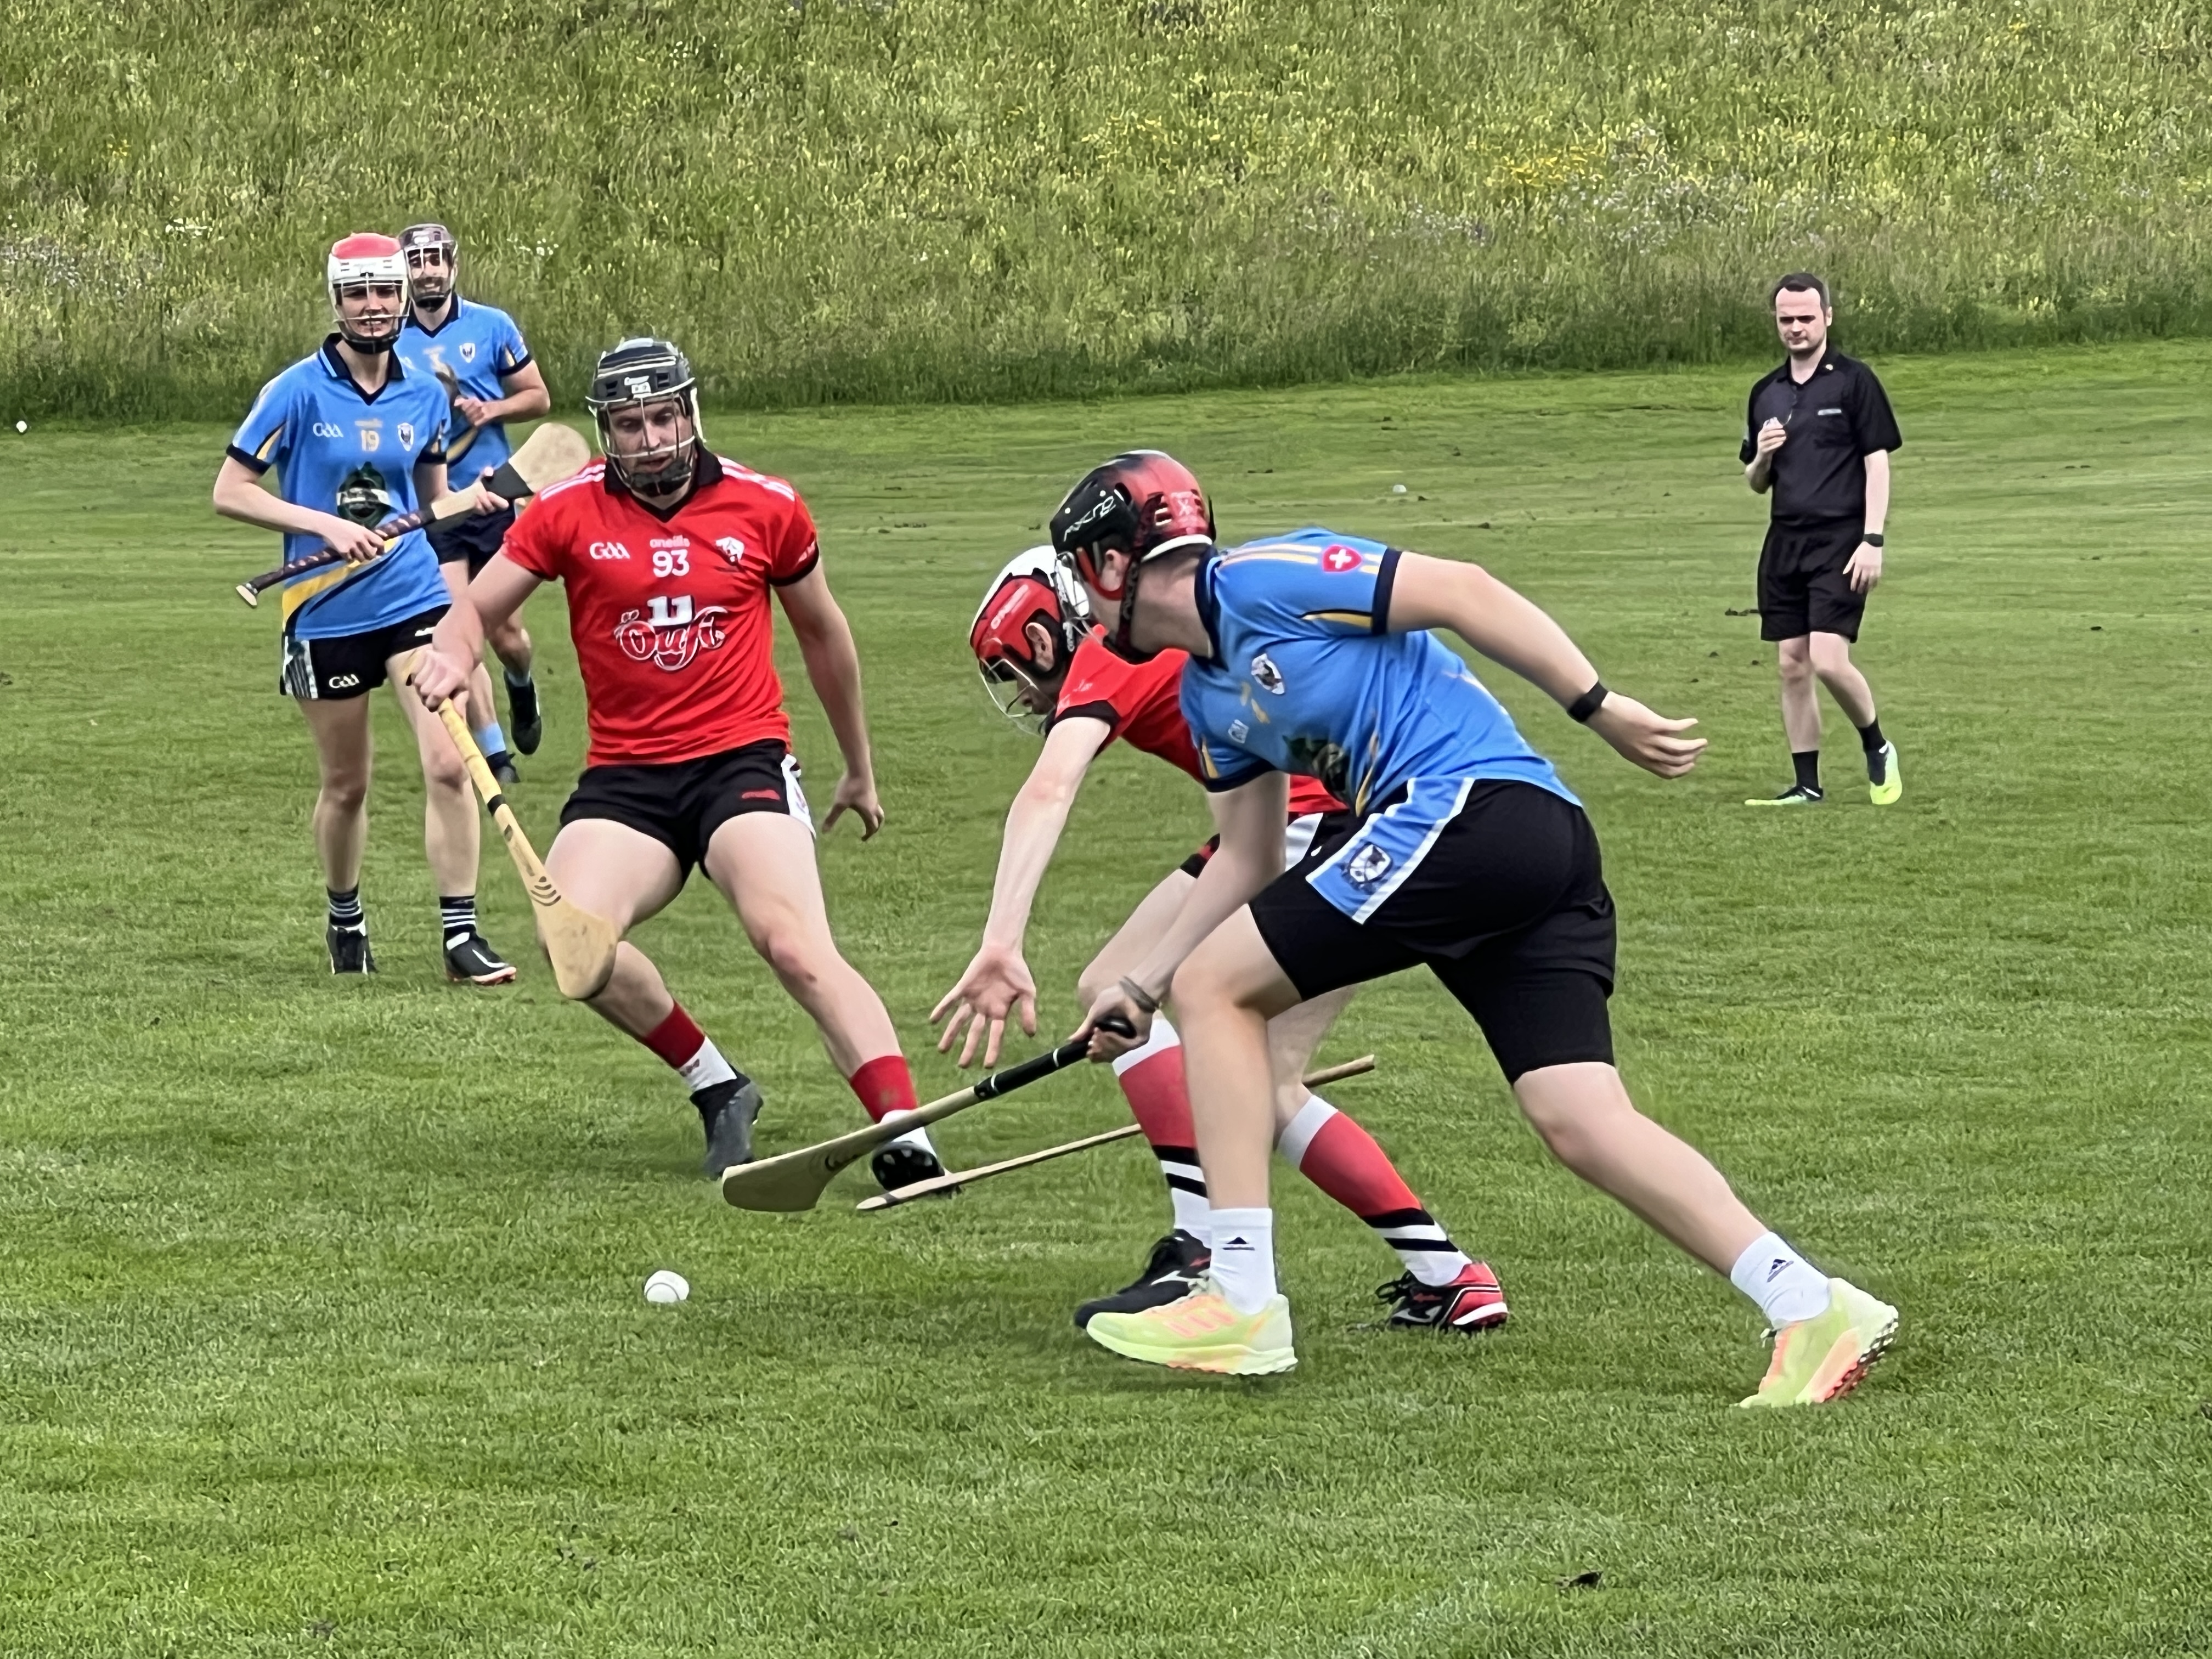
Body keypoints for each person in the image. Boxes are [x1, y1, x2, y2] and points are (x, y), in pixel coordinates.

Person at [1052, 452, 1898, 1403]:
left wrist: (1600, 706)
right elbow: (1248, 858)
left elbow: (1463, 589)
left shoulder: (1264, 576)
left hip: (1474, 810)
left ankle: (1241, 1300)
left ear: (1115, 562)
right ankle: (1811, 1304)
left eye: (1081, 572)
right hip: (1513, 848)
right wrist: (1141, 985)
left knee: (1217, 986)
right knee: (1579, 1118)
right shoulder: (1208, 697)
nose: (1083, 603)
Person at [934, 543, 1507, 1333]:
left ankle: (1204, 1247)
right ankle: (1446, 1276)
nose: (1026, 697)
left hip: (1312, 826)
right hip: (1305, 826)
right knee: (1237, 1066)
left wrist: (1001, 942)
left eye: (1015, 671)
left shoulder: (1107, 651)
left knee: (1225, 1056)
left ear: (1044, 635)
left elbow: (1049, 788)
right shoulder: (1152, 632)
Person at [410, 338, 943, 1183]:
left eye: (664, 417)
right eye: (630, 425)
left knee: (794, 944)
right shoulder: (565, 509)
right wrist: (452, 654)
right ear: (607, 432)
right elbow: (473, 609)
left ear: (691, 412)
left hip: (742, 763)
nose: (651, 439)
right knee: (575, 949)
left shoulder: (766, 505)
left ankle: (904, 1132)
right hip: (628, 780)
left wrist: (859, 766)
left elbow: (823, 636)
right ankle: (718, 1084)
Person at [212, 232, 516, 986]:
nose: (373, 306)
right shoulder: (296, 390)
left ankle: (461, 934)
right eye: (358, 294)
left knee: (450, 763)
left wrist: (472, 499)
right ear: (338, 301)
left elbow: (431, 502)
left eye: (384, 291)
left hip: (413, 595)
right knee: (348, 784)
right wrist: (325, 526)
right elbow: (231, 490)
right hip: (325, 610)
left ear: (402, 297)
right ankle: (345, 916)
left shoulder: (425, 392)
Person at [1741, 273, 1904, 807]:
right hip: (1785, 541)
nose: (1796, 327)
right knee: (1792, 663)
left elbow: (1877, 465)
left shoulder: (1854, 382)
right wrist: (1763, 455)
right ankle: (1807, 785)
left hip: (1842, 539)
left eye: (1806, 318)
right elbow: (1756, 482)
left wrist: (1873, 539)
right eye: (1786, 319)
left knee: (1829, 660)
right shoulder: (1766, 392)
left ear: (1827, 318)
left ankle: (1877, 746)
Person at [397, 222, 554, 779]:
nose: (427, 271)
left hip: (492, 497)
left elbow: (538, 397)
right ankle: (495, 755)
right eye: (416, 262)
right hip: (436, 505)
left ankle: (522, 684)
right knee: (457, 632)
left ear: (453, 265)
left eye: (435, 259)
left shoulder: (492, 326)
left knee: (506, 637)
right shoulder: (389, 340)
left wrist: (492, 411)